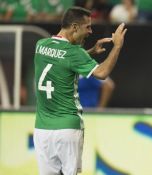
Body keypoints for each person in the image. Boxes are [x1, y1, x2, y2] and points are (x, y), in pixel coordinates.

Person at [33, 6, 127, 175]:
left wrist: (89, 53)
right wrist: (117, 47)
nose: (91, 31)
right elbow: (102, 73)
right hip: (68, 128)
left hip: (42, 130)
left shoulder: (41, 45)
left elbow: (61, 60)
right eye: (88, 27)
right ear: (75, 27)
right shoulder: (75, 53)